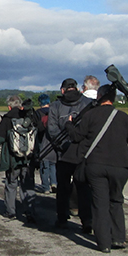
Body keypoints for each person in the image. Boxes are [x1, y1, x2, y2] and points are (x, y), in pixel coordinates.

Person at [68, 84, 128, 252]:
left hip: (97, 165)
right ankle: (118, 238)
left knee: (100, 204)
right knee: (116, 200)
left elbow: (76, 136)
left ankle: (104, 243)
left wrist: (69, 125)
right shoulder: (123, 117)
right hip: (120, 166)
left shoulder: (91, 115)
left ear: (99, 96)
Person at [47, 78, 93, 230]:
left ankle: (62, 218)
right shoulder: (88, 103)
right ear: (77, 88)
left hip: (63, 154)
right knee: (84, 188)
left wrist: (63, 145)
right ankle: (87, 221)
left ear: (62, 90)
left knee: (63, 188)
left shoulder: (55, 106)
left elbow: (52, 130)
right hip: (82, 153)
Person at [0, 95, 41, 223]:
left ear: (9, 106)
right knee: (28, 185)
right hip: (28, 158)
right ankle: (30, 211)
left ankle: (11, 211)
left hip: (12, 159)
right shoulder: (29, 116)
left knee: (11, 184)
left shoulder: (7, 119)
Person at [35, 94, 57, 193]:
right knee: (53, 164)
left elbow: (38, 128)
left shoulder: (38, 113)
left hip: (42, 141)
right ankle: (54, 182)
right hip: (54, 141)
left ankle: (46, 186)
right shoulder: (54, 112)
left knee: (44, 165)